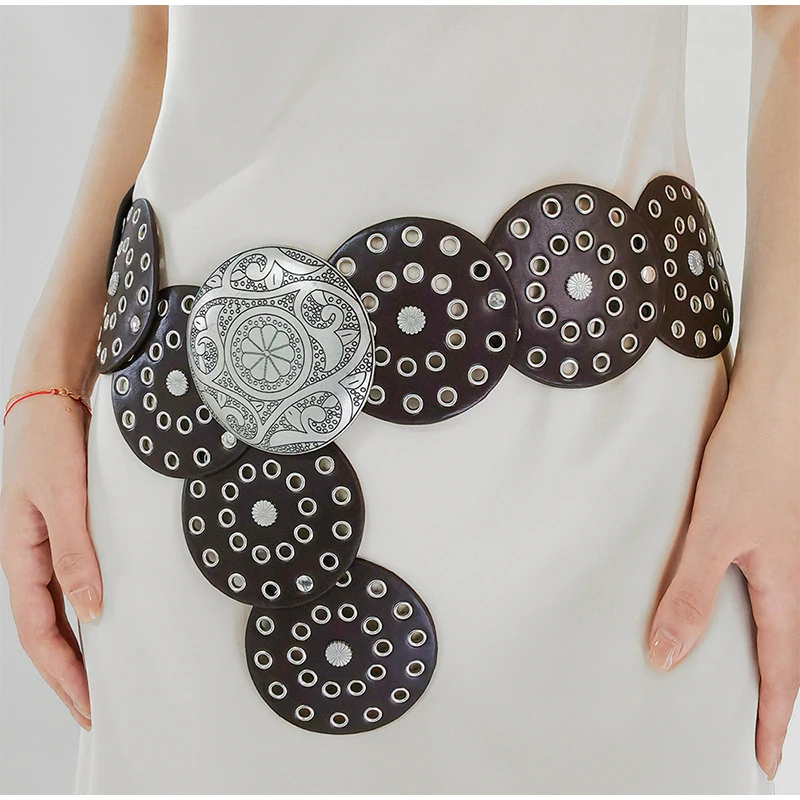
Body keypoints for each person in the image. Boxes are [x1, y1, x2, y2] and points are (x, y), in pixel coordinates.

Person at [1, 5, 797, 794]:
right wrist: (46, 372)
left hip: (625, 502)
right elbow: (159, 36)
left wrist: (780, 415)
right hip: (208, 501)